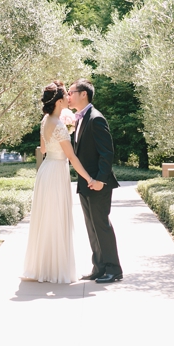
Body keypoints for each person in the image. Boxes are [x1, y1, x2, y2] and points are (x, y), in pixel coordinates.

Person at [22, 81, 95, 284]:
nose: (69, 98)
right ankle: (56, 270)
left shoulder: (46, 120)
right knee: (56, 219)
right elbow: (71, 157)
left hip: (46, 170)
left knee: (46, 219)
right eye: (66, 95)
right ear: (60, 101)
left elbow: (43, 149)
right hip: (56, 172)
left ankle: (43, 268)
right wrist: (89, 178)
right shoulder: (60, 125)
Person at [68, 78, 123, 283]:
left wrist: (100, 179)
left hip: (98, 183)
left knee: (101, 225)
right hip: (85, 183)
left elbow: (107, 153)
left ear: (84, 94)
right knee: (91, 227)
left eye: (71, 92)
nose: (69, 96)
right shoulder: (80, 118)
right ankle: (99, 267)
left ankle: (113, 269)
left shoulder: (96, 118)